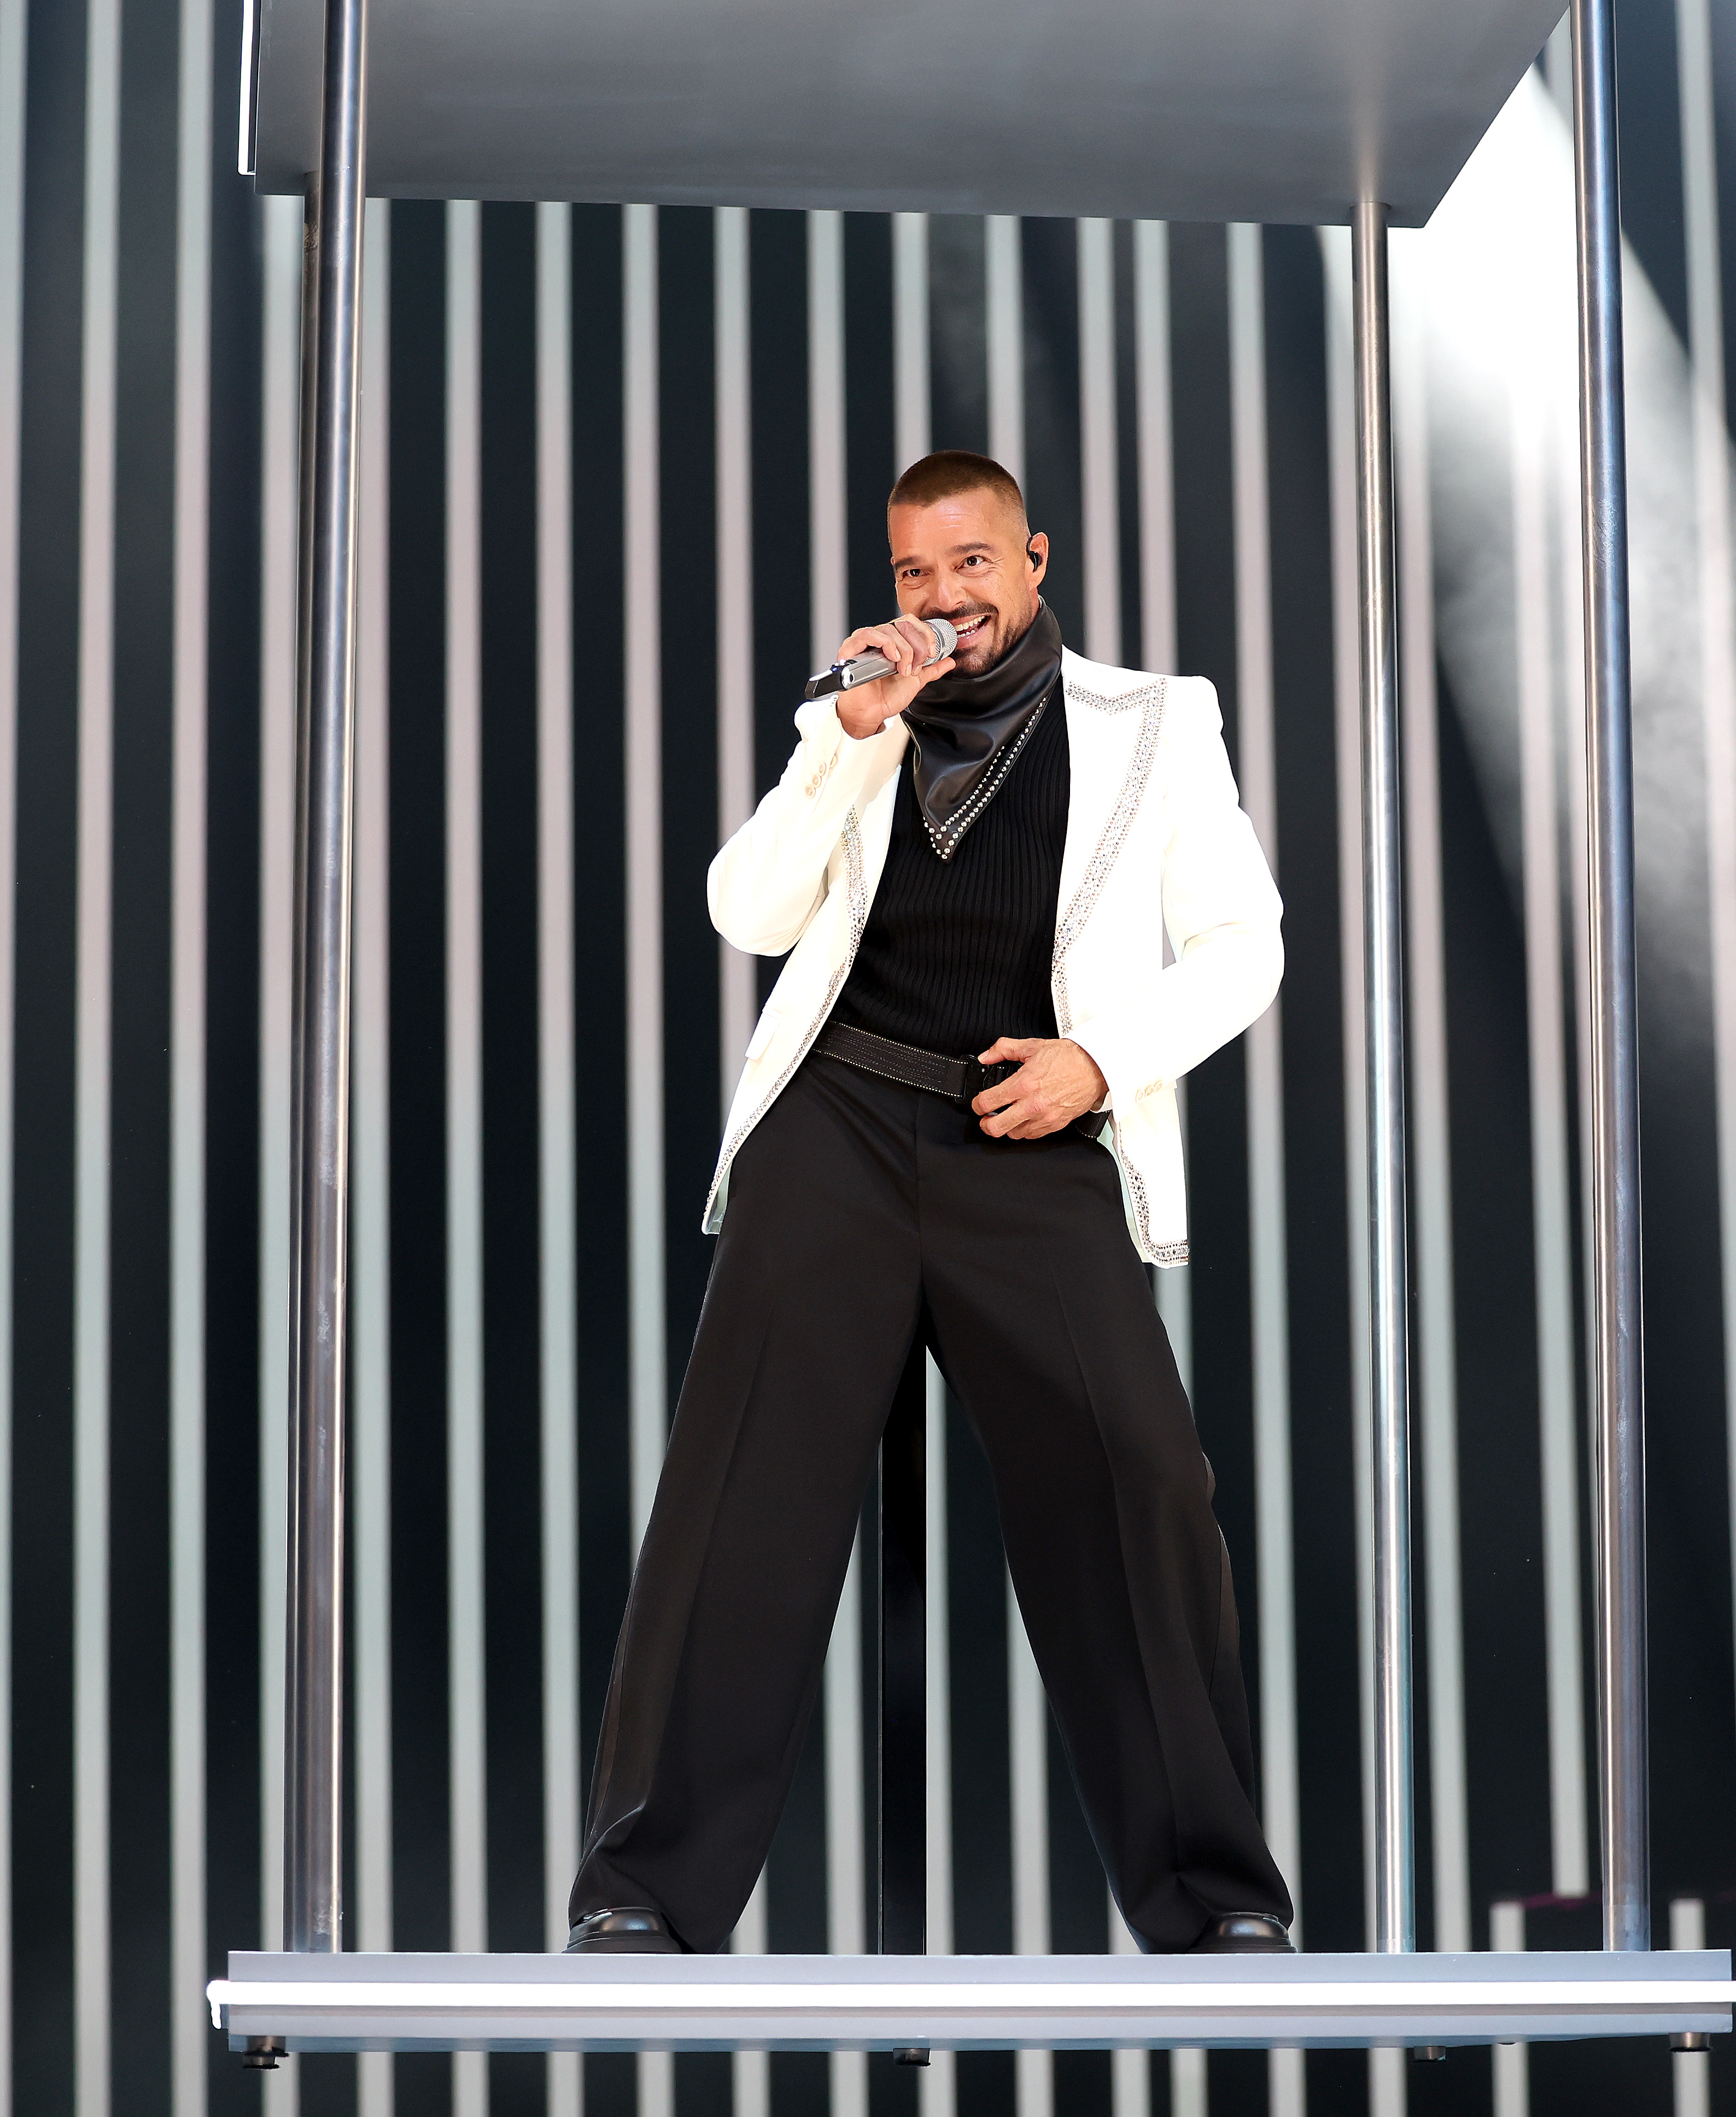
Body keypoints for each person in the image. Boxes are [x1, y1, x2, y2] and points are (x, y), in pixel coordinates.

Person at [563, 450, 1295, 1958]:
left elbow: (1244, 946)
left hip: (1029, 1135)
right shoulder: (859, 725)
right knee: (741, 1495)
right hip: (837, 1118)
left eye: (972, 564)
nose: (945, 597)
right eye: (915, 574)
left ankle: (1216, 1901)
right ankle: (643, 1892)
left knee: (1140, 1486)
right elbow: (746, 914)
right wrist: (846, 736)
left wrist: (1103, 1061)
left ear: (1034, 561)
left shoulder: (1158, 722)